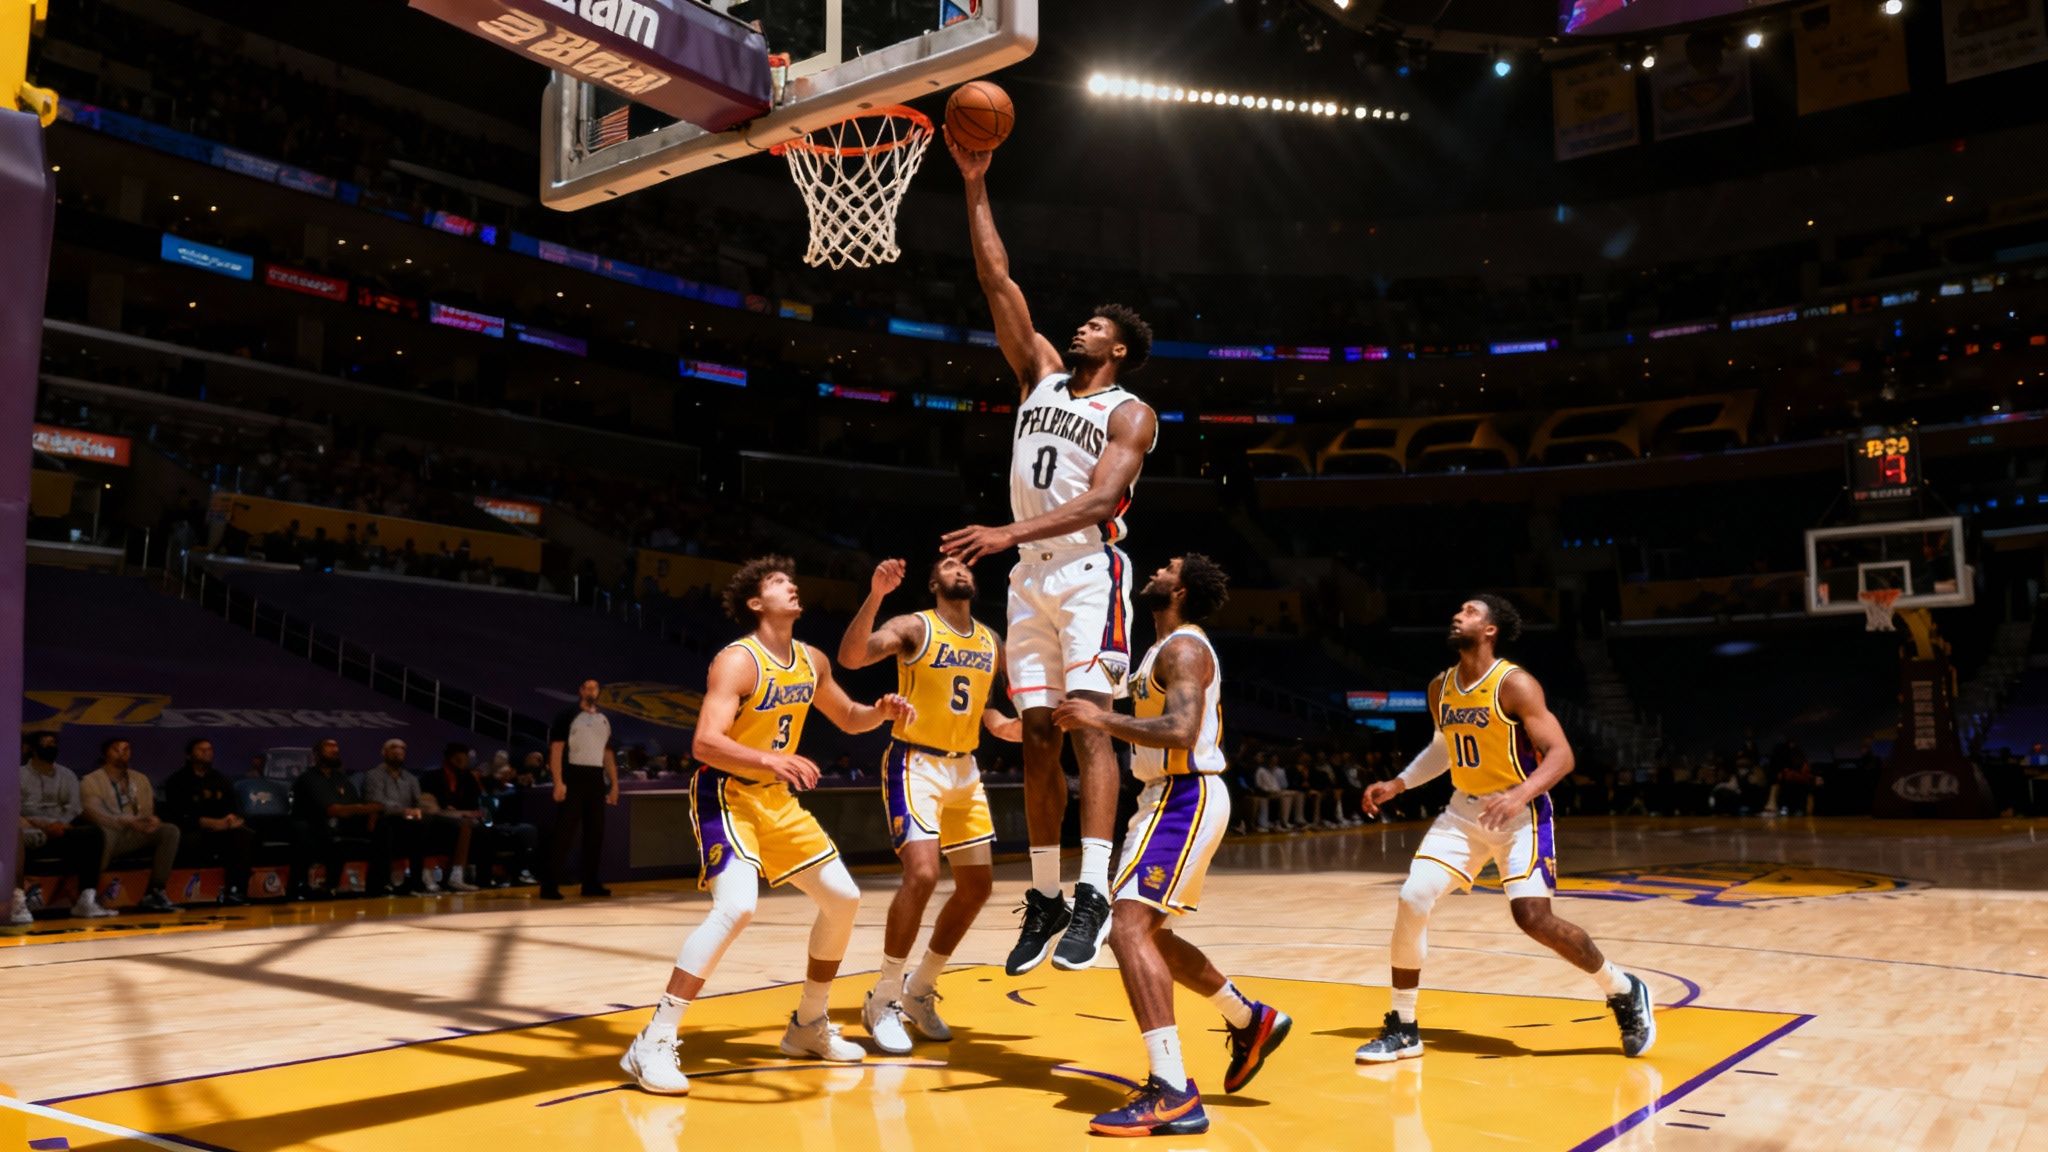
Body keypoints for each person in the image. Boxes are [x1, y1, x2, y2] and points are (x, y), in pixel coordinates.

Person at [942, 129, 1159, 975]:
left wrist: (1004, 533)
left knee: (1086, 723)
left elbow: (1103, 501)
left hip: (1086, 570)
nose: (1081, 326)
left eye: (1096, 326)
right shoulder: (1037, 372)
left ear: (1118, 350)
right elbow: (997, 280)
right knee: (1036, 733)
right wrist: (975, 184)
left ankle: (1095, 888)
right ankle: (1045, 894)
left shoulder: (1130, 412)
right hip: (1030, 578)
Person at [620, 556, 914, 1095]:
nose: (792, 586)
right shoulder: (738, 661)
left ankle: (808, 1024)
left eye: (791, 580)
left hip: (775, 799)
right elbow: (705, 743)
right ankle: (654, 1040)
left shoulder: (811, 660)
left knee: (843, 899)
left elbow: (850, 717)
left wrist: (882, 710)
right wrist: (769, 760)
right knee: (737, 907)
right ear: (757, 603)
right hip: (726, 793)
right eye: (779, 583)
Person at [1357, 596, 1655, 1064]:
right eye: (1458, 610)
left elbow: (1561, 755)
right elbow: (1444, 747)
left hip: (1521, 813)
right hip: (1463, 813)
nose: (1458, 615)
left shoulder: (1514, 684)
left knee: (1532, 918)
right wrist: (1399, 783)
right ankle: (1404, 1026)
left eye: (1470, 611)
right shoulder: (1440, 688)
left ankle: (1622, 988)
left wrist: (1520, 794)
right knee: (1412, 897)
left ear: (1490, 629)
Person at [1054, 554, 1289, 1136]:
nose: (1157, 569)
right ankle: (1248, 1018)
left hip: (1184, 795)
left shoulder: (1184, 648)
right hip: (1163, 797)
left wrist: (1099, 720)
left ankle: (1173, 1089)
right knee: (1149, 933)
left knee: (1126, 928)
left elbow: (1181, 731)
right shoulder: (1158, 650)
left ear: (1180, 590)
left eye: (1169, 567)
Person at [837, 556, 1021, 1054]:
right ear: (934, 581)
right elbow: (852, 658)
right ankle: (884, 996)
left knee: (977, 887)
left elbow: (987, 707)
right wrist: (876, 595)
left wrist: (1009, 727)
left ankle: (920, 988)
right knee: (921, 874)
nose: (959, 569)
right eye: (948, 565)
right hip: (916, 762)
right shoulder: (916, 627)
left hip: (965, 769)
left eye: (965, 566)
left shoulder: (991, 641)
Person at [16, 731, 114, 920]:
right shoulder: (18, 775)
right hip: (30, 831)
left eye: (53, 743)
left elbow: (74, 807)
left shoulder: (67, 775)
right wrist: (45, 825)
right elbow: (14, 809)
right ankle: (18, 901)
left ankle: (86, 900)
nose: (51, 747)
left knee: (93, 834)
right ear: (32, 749)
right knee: (13, 837)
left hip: (60, 831)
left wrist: (61, 824)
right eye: (45, 743)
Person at [79, 738, 181, 913]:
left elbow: (147, 810)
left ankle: (155, 891)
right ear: (105, 754)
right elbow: (92, 813)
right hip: (110, 832)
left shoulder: (140, 779)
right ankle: (88, 895)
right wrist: (121, 820)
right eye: (116, 749)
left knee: (169, 831)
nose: (122, 753)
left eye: (126, 749)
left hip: (134, 833)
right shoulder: (91, 780)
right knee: (104, 833)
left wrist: (149, 821)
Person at [541, 678, 618, 900]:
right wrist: (558, 781)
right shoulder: (567, 715)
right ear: (581, 691)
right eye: (588, 687)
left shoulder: (603, 719)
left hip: (595, 778)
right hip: (573, 776)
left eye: (595, 688)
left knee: (595, 832)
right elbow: (556, 749)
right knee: (564, 832)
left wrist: (614, 784)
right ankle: (550, 885)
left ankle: (590, 883)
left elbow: (607, 753)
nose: (592, 691)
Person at [161, 738, 254, 906]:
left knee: (243, 835)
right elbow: (178, 815)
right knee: (188, 838)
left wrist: (231, 819)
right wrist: (210, 823)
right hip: (191, 831)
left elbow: (232, 808)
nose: (206, 752)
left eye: (209, 749)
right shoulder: (177, 781)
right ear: (189, 755)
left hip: (222, 830)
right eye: (201, 749)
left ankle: (236, 890)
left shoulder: (221, 779)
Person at [291, 739, 384, 898]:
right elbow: (332, 810)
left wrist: (371, 815)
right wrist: (366, 808)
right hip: (315, 825)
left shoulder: (340, 778)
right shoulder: (308, 778)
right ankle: (325, 886)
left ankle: (377, 886)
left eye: (336, 748)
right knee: (325, 831)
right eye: (329, 748)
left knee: (383, 828)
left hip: (342, 824)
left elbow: (355, 804)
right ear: (316, 754)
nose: (335, 751)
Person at [362, 739, 439, 895]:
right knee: (388, 827)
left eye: (402, 749)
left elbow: (418, 802)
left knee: (424, 823)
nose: (398, 751)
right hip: (383, 819)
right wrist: (403, 810)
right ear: (384, 753)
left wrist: (425, 807)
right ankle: (384, 882)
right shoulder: (373, 775)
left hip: (407, 822)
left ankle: (417, 881)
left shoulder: (411, 778)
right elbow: (377, 802)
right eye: (393, 748)